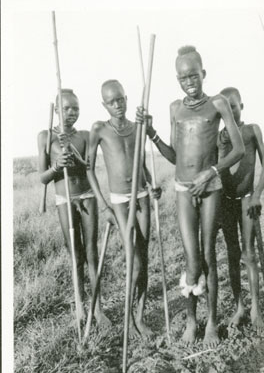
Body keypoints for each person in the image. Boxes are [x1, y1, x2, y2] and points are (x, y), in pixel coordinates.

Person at [136, 46, 245, 347]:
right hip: (184, 189)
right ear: (177, 79)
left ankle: (210, 323)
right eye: (183, 77)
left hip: (210, 189)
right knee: (191, 260)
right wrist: (152, 133)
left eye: (194, 75)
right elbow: (175, 157)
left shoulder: (218, 103)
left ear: (203, 73)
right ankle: (190, 321)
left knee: (208, 253)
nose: (189, 82)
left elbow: (239, 149)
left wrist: (211, 172)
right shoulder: (175, 108)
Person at [87, 79, 160, 339]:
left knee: (145, 258)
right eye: (111, 101)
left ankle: (139, 317)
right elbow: (88, 168)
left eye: (120, 99)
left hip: (141, 197)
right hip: (119, 200)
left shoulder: (137, 126)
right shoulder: (99, 129)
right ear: (103, 104)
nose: (117, 105)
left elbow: (140, 162)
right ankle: (128, 318)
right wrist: (104, 205)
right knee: (135, 261)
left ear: (126, 98)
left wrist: (151, 184)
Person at [38, 89, 110, 328]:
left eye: (76, 108)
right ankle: (79, 309)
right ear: (57, 110)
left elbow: (89, 167)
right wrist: (57, 166)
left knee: (92, 253)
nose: (72, 113)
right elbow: (43, 177)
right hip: (65, 199)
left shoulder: (85, 135)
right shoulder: (45, 137)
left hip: (87, 196)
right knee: (75, 256)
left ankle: (97, 310)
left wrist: (75, 157)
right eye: (67, 108)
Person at [217, 87, 264, 334]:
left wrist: (257, 194)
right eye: (226, 109)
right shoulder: (220, 136)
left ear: (242, 105)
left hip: (248, 199)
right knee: (232, 254)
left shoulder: (252, 130)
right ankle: (239, 306)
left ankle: (256, 309)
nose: (232, 111)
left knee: (249, 255)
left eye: (234, 106)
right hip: (227, 201)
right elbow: (217, 168)